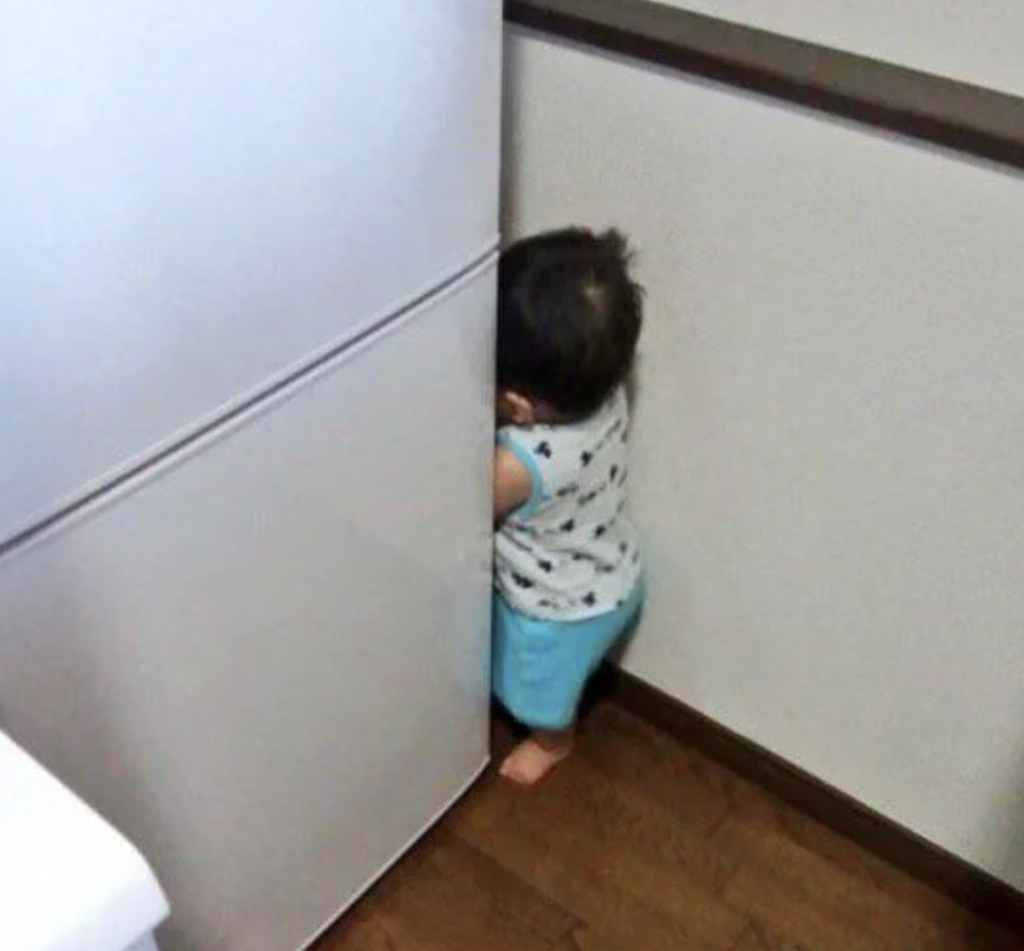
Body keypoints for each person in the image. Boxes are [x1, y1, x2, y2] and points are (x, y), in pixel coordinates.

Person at [492, 226, 645, 786]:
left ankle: (554, 741)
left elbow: (461, 503)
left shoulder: (516, 467)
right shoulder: (606, 391)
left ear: (518, 406)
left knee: (536, 691)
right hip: (615, 569)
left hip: (557, 614)